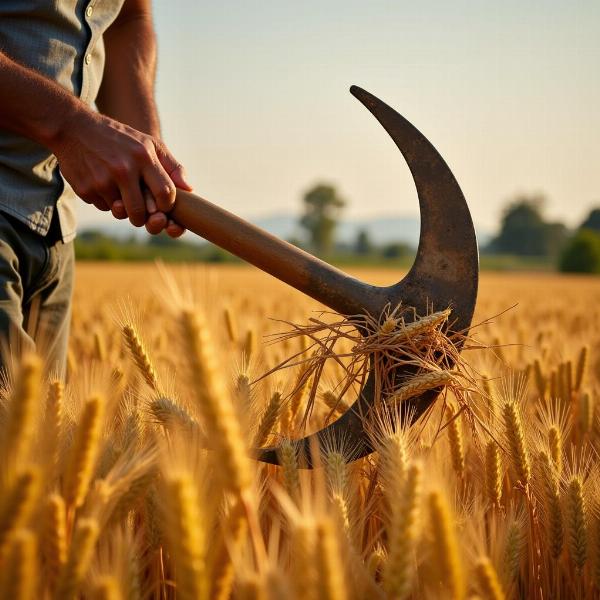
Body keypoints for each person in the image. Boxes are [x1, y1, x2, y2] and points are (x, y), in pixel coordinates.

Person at [0, 0, 191, 375]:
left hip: (56, 226)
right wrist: (70, 126)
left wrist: (144, 147)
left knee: (37, 431)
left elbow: (128, 17)